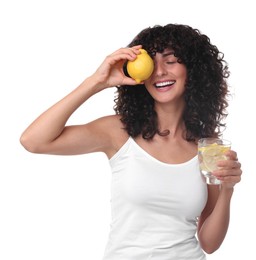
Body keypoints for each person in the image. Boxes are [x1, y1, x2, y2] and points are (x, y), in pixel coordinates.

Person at [20, 23, 242, 259]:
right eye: (151, 63)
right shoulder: (118, 131)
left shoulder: (208, 145)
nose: (159, 72)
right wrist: (96, 82)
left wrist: (227, 189)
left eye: (170, 60)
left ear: (193, 70)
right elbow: (33, 141)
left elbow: (209, 243)